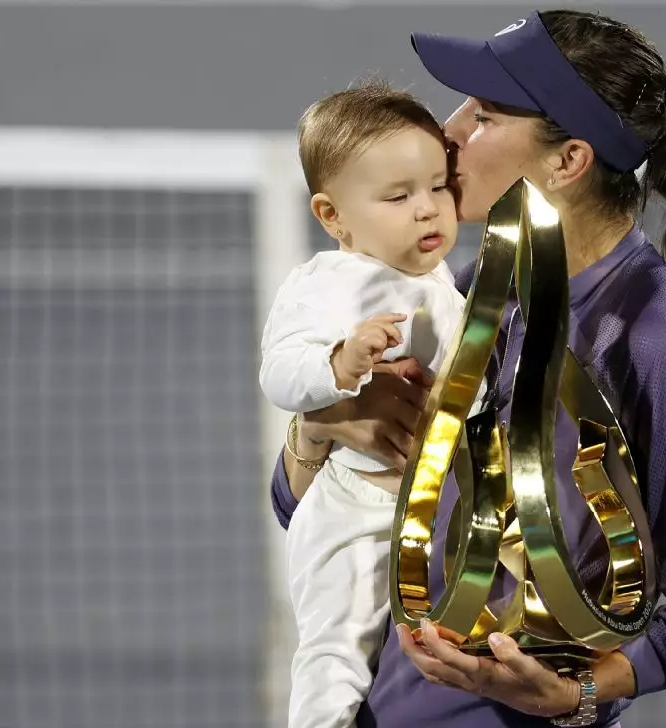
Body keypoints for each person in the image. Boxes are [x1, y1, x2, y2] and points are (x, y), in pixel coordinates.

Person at [272, 10, 666, 727]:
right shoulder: (477, 284)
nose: (447, 131)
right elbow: (310, 514)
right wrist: (320, 433)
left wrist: (580, 692)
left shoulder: (655, 338)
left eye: (483, 115)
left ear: (567, 162)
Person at [259, 82, 482, 728]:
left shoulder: (440, 281)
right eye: (398, 196)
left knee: (397, 656)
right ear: (332, 217)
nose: (427, 210)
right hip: (357, 508)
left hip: (431, 513)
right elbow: (280, 371)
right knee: (338, 645)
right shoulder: (326, 284)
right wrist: (340, 365)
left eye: (438, 186)